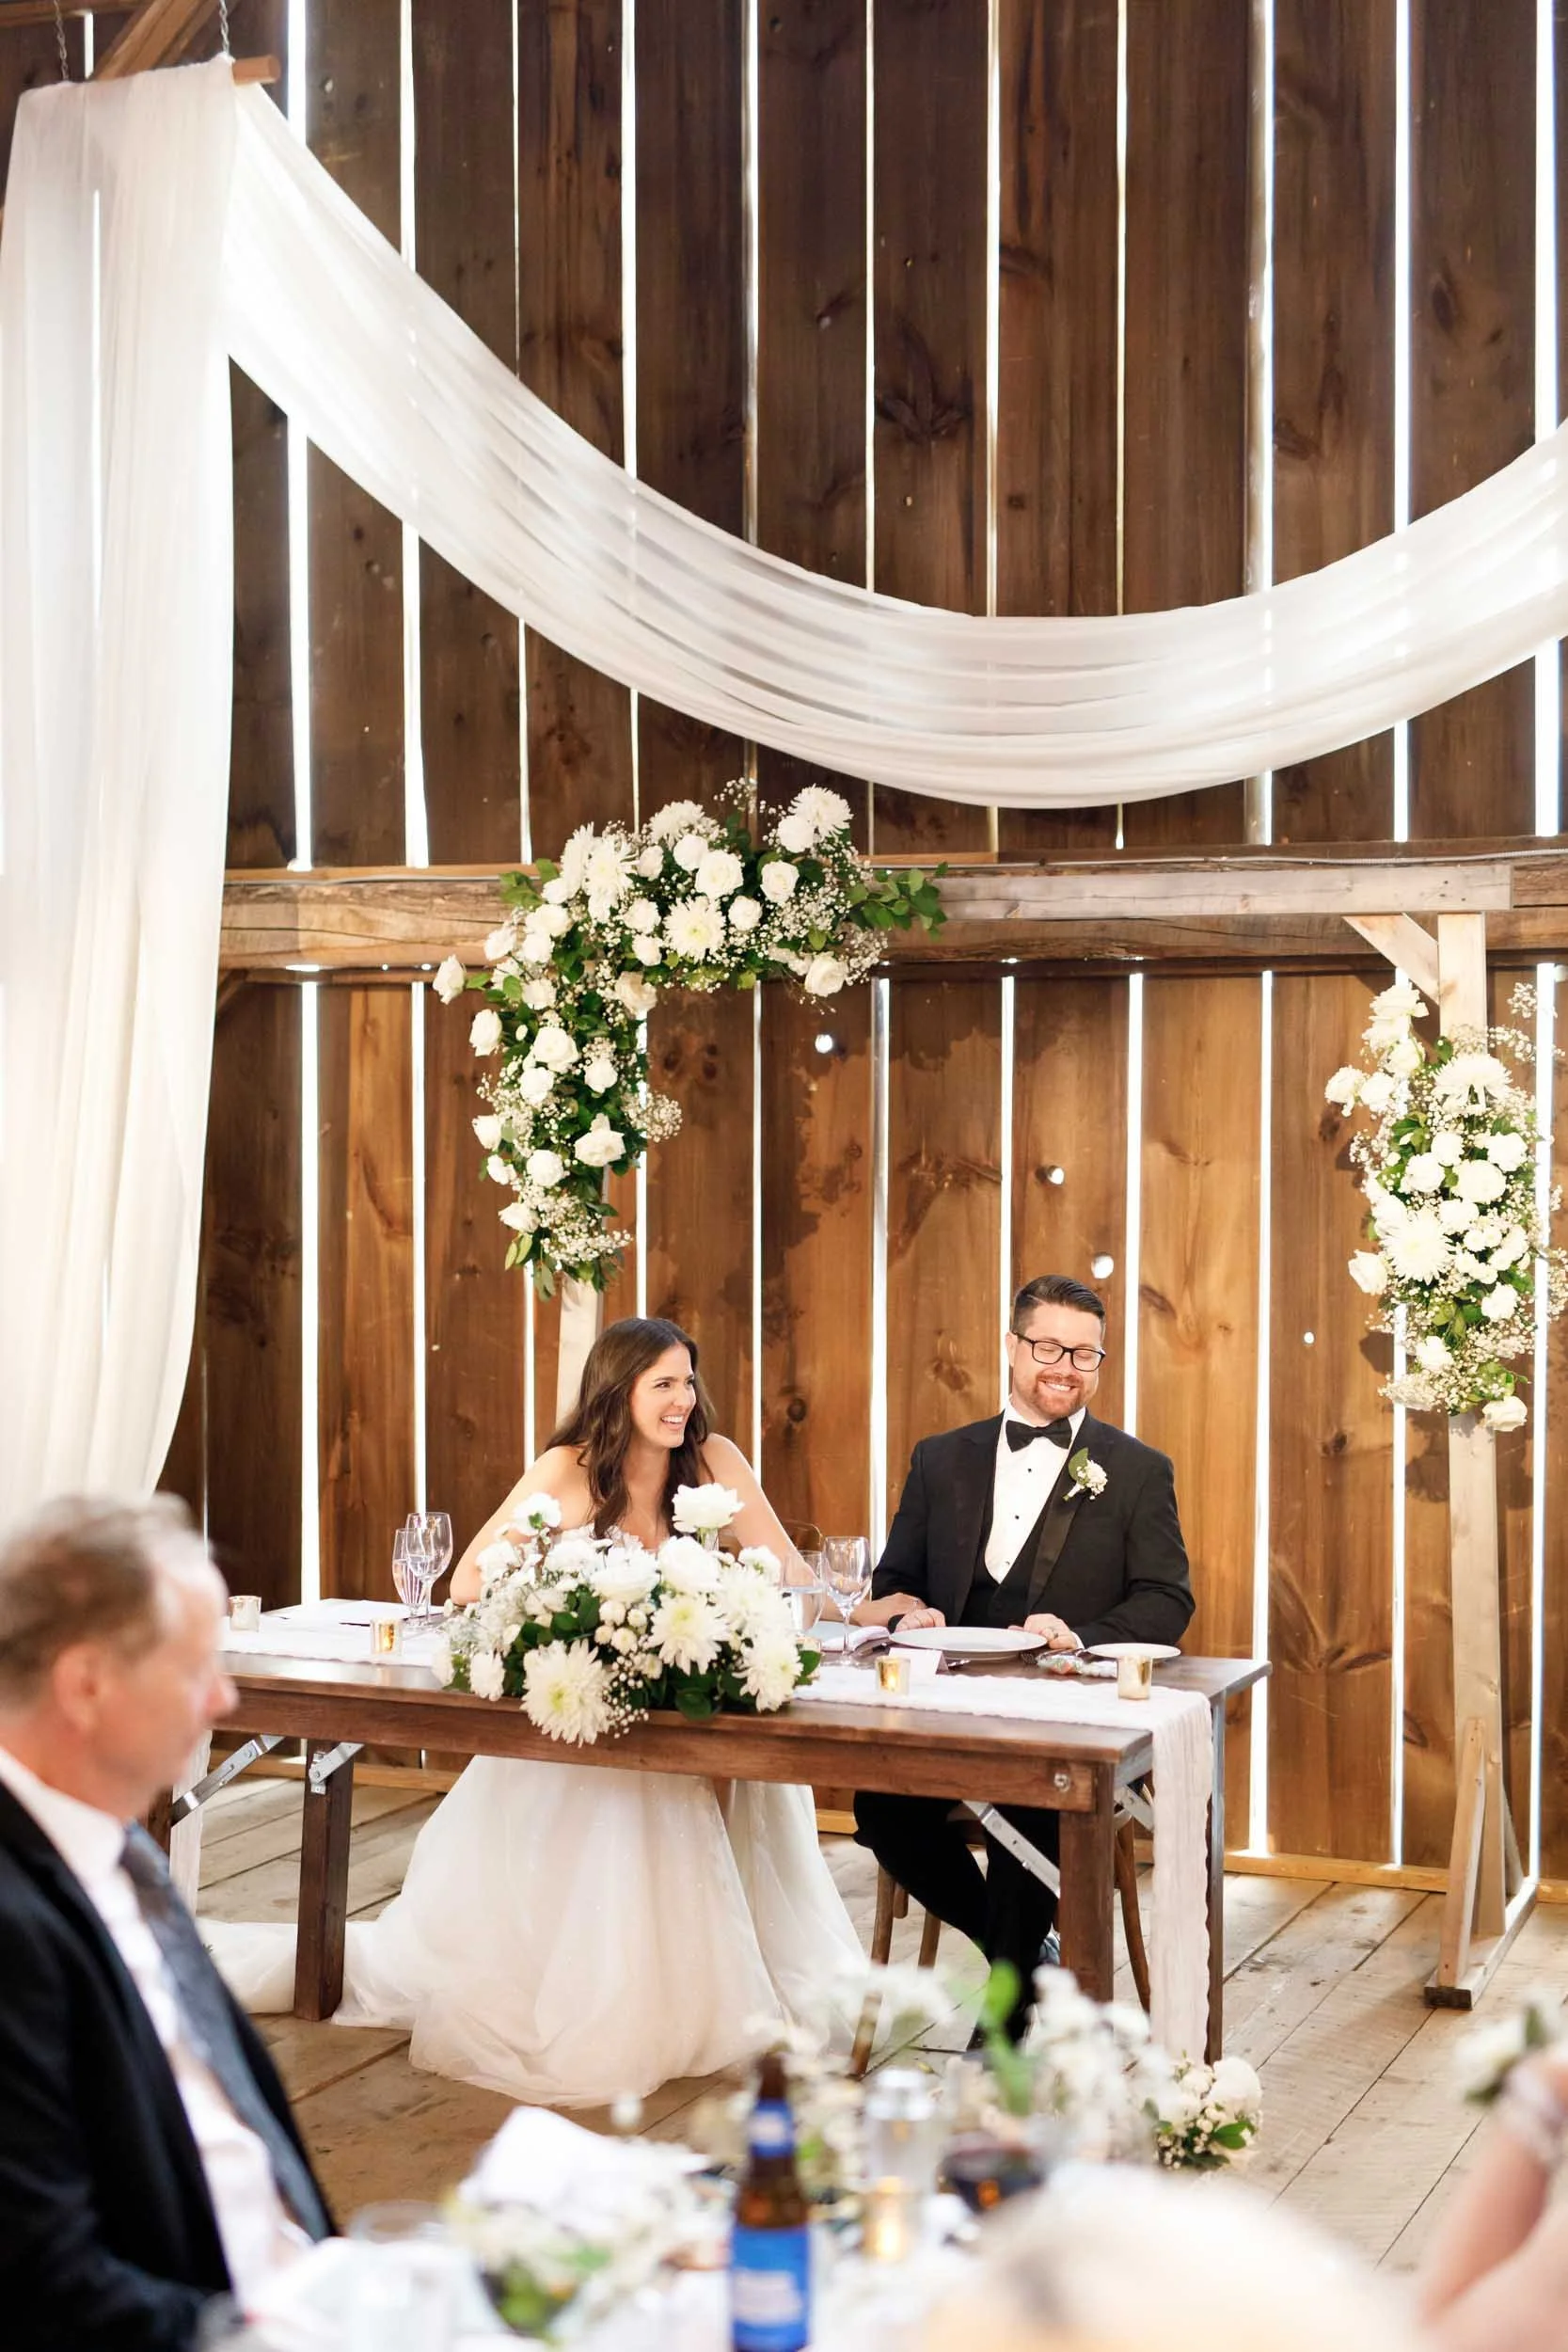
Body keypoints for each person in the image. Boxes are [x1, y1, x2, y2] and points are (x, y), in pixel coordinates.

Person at [211, 1316, 863, 2107]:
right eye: (663, 1384)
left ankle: (712, 1985)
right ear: (616, 1391)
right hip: (593, 1711)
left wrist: (869, 1613)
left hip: (687, 1706)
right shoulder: (568, 1469)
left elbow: (789, 1578)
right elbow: (468, 1585)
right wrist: (581, 1603)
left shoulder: (715, 1461)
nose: (682, 1400)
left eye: (688, 1382)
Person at [0, 1495, 332, 2352]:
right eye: (195, 1669)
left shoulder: (114, 1840)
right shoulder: (14, 1928)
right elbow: (46, 2289)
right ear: (85, 1685)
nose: (222, 1698)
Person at [852, 1273, 1194, 2028]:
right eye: (1046, 1347)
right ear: (1010, 1347)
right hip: (945, 1704)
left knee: (1033, 1809)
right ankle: (1028, 1964)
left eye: (1083, 1354)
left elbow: (1168, 1600)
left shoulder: (1136, 1470)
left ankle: (1000, 2028)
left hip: (1061, 1711)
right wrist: (910, 1612)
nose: (1063, 1367)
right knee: (881, 1812)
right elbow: (895, 1580)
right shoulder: (939, 1458)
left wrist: (1081, 1635)